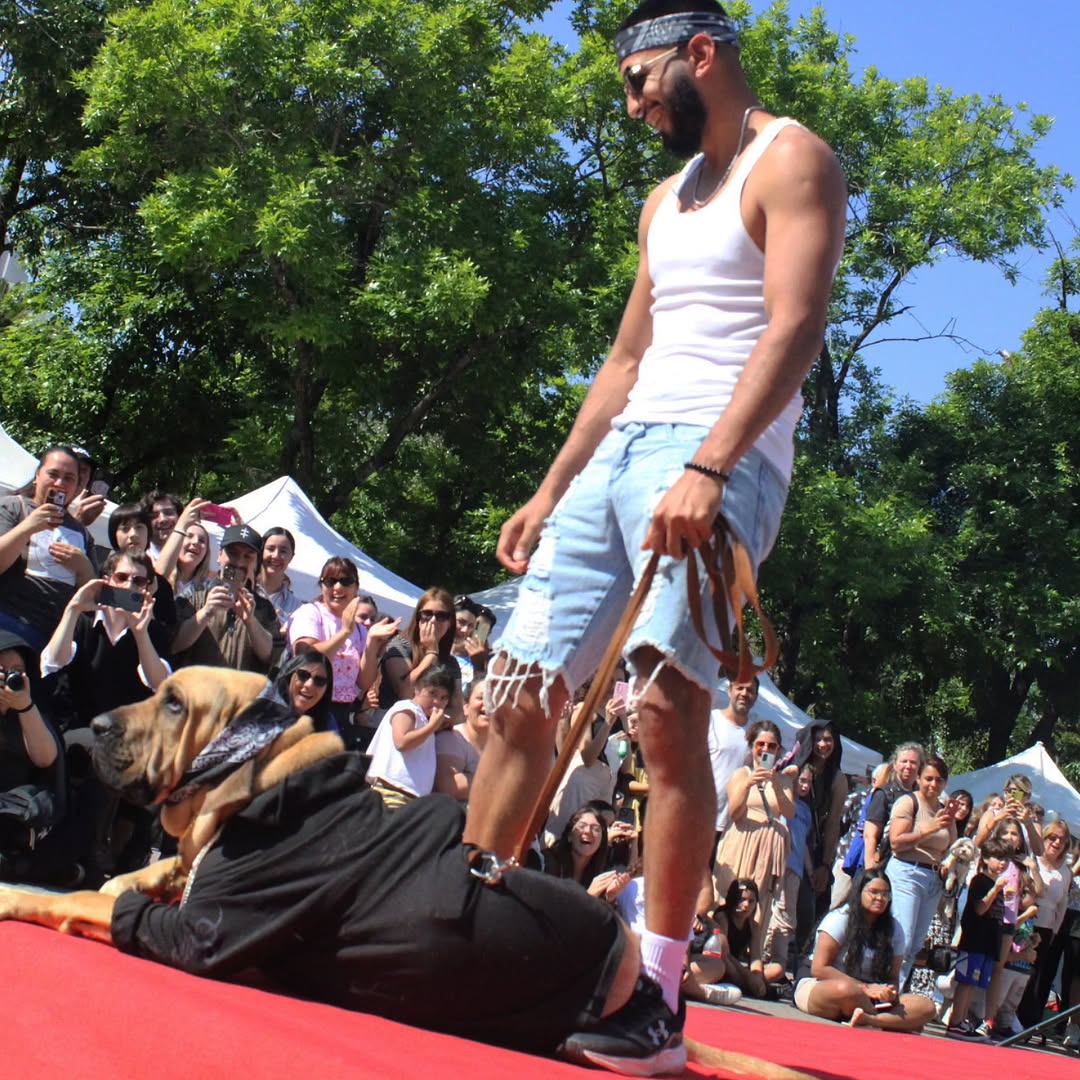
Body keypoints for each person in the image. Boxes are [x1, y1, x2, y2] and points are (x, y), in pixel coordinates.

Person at [463, 5, 846, 1062]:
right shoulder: (660, 203)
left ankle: (660, 1002)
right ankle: (456, 935)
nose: (634, 106)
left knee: (668, 718)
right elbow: (625, 360)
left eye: (641, 82)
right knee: (519, 696)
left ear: (702, 55)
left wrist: (712, 464)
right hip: (623, 454)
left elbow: (796, 323)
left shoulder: (793, 156)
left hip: (720, 457)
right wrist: (550, 491)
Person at [40, 550, 172, 730]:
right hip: (77, 729)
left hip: (126, 734)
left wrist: (141, 635)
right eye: (121, 577)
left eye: (139, 581)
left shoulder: (153, 631)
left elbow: (158, 683)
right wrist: (73, 609)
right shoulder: (83, 619)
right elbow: (54, 661)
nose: (129, 586)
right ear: (106, 580)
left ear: (147, 588)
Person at [795, 869, 934, 1032]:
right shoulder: (840, 918)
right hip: (824, 986)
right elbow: (819, 969)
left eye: (885, 894)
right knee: (847, 991)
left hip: (872, 996)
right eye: (873, 892)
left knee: (926, 1006)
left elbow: (893, 977)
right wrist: (866, 989)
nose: (880, 899)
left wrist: (888, 992)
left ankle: (869, 1019)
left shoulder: (895, 929)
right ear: (859, 892)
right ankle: (890, 1021)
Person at [287, 558, 399, 743]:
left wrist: (371, 643)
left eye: (346, 581)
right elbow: (308, 658)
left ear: (356, 588)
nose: (338, 588)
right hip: (309, 705)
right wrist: (345, 632)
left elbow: (363, 682)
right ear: (322, 585)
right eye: (330, 581)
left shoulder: (361, 631)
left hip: (343, 712)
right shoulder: (310, 613)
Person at [712, 720, 793, 964]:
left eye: (772, 745)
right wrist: (750, 783)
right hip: (742, 839)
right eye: (760, 744)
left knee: (759, 904)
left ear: (779, 750)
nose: (765, 749)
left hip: (768, 847)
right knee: (730, 897)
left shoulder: (784, 780)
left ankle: (753, 957)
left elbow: (788, 812)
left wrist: (776, 783)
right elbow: (735, 812)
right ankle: (720, 952)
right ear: (751, 746)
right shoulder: (741, 774)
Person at [0, 446, 97, 650]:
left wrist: (84, 568)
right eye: (53, 474)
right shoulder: (12, 507)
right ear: (37, 476)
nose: (60, 483)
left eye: (69, 478)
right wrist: (28, 527)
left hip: (52, 641)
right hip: (8, 626)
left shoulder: (82, 534)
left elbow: (93, 601)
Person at [0, 629, 66, 885]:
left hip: (13, 815)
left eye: (16, 669)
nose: (8, 676)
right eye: (2, 669)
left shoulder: (32, 710)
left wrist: (24, 706)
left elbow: (46, 759)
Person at [171, 524, 283, 674]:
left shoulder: (263, 607)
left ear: (256, 563)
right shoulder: (192, 594)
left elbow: (271, 656)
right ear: (220, 555)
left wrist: (251, 622)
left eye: (248, 556)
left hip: (242, 695)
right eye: (233, 553)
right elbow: (173, 644)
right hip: (196, 694)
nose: (239, 562)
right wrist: (206, 612)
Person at [886, 753, 957, 988]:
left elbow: (951, 846)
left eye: (939, 780)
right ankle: (885, 986)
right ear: (918, 778)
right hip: (907, 871)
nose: (933, 784)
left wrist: (950, 864)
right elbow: (896, 842)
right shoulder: (908, 803)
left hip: (933, 879)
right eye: (928, 778)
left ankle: (896, 990)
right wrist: (928, 829)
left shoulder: (945, 810)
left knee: (916, 944)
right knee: (902, 939)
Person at [365, 662, 457, 809]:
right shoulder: (406, 708)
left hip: (413, 799)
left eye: (443, 697)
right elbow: (401, 742)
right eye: (432, 693)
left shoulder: (426, 720)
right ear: (417, 689)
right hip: (391, 792)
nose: (437, 702)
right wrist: (432, 726)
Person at [947, 840, 1012, 1037]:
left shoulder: (994, 883)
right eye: (998, 858)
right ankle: (955, 1019)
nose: (1002, 863)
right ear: (985, 858)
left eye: (1006, 859)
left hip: (987, 944)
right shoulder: (980, 881)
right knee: (966, 982)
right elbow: (980, 908)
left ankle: (962, 1019)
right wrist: (995, 890)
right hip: (974, 941)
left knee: (974, 984)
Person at [1016, 820, 1072, 1030]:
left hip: (1047, 929)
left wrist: (1055, 932)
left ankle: (1029, 1022)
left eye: (1061, 840)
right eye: (1052, 838)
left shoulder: (1065, 872)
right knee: (1019, 972)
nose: (1056, 843)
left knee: (1038, 978)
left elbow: (1062, 904)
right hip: (1026, 923)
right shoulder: (1033, 860)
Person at [378, 588, 462, 717]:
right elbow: (406, 693)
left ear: (450, 622)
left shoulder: (450, 662)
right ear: (418, 618)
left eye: (441, 616)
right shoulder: (399, 646)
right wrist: (431, 653)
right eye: (427, 614)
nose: (433, 620)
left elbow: (457, 711)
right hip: (393, 724)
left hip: (431, 730)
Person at [706, 676, 756, 860]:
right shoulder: (710, 720)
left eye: (750, 690)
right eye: (740, 688)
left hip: (732, 826)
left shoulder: (755, 735)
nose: (744, 693)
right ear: (729, 691)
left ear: (756, 697)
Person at [862, 742, 925, 870]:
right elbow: (870, 835)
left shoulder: (921, 797)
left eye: (913, 762)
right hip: (884, 863)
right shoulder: (884, 794)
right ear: (895, 765)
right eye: (904, 761)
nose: (908, 766)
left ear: (920, 767)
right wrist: (870, 868)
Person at [434, 677, 490, 803]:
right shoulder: (451, 737)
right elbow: (449, 786)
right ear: (466, 707)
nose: (488, 704)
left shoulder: (501, 747)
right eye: (481, 698)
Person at [274, 648, 334, 731]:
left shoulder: (328, 723)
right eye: (303, 675)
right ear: (289, 676)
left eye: (319, 681)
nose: (309, 685)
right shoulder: (263, 716)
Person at [257, 528, 303, 633]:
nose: (276, 555)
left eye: (283, 551)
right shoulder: (245, 591)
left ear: (291, 557)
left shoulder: (296, 607)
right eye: (270, 549)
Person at [140, 491, 183, 561]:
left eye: (169, 513)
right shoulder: (140, 559)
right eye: (154, 516)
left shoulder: (194, 556)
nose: (162, 520)